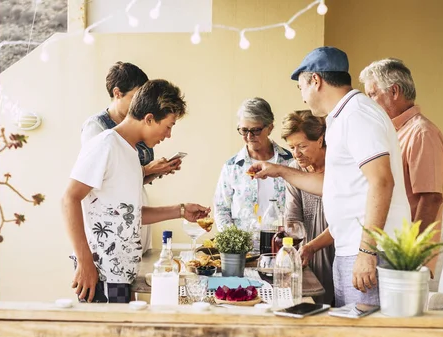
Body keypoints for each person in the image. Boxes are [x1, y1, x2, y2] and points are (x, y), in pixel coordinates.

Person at [248, 47, 413, 337]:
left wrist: (367, 251)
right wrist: (278, 170)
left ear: (316, 80)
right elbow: (332, 187)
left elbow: (381, 181)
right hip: (350, 252)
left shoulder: (358, 115)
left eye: (301, 87)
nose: (303, 96)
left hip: (369, 252)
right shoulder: (341, 119)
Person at [63, 79, 210, 303]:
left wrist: (181, 210)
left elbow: (130, 215)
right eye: (168, 126)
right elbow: (69, 199)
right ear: (149, 118)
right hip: (100, 275)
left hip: (122, 274)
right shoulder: (106, 144)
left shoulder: (130, 153)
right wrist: (85, 263)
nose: (168, 135)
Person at [360, 58, 443, 337]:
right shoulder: (393, 132)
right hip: (392, 254)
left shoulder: (421, 132)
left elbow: (430, 199)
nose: (368, 102)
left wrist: (407, 258)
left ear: (393, 92)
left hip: (406, 260)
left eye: (372, 94)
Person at [81, 61, 182, 252]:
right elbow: (78, 195)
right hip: (106, 249)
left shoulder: (131, 140)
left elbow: (123, 190)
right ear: (117, 93)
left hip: (131, 230)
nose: (167, 135)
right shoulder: (103, 136)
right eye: (137, 96)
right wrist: (85, 259)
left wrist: (154, 173)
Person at [281, 110, 334, 337]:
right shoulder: (293, 170)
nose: (296, 153)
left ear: (321, 139)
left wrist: (311, 245)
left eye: (302, 145)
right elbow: (293, 219)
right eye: (291, 147)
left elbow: (347, 221)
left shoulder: (339, 166)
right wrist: (293, 239)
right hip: (310, 252)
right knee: (320, 318)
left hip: (342, 248)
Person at [214, 98, 292, 232]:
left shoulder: (291, 162)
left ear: (270, 128)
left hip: (282, 246)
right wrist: (235, 242)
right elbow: (221, 209)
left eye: (256, 130)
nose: (249, 136)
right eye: (244, 130)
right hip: (243, 251)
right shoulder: (232, 167)